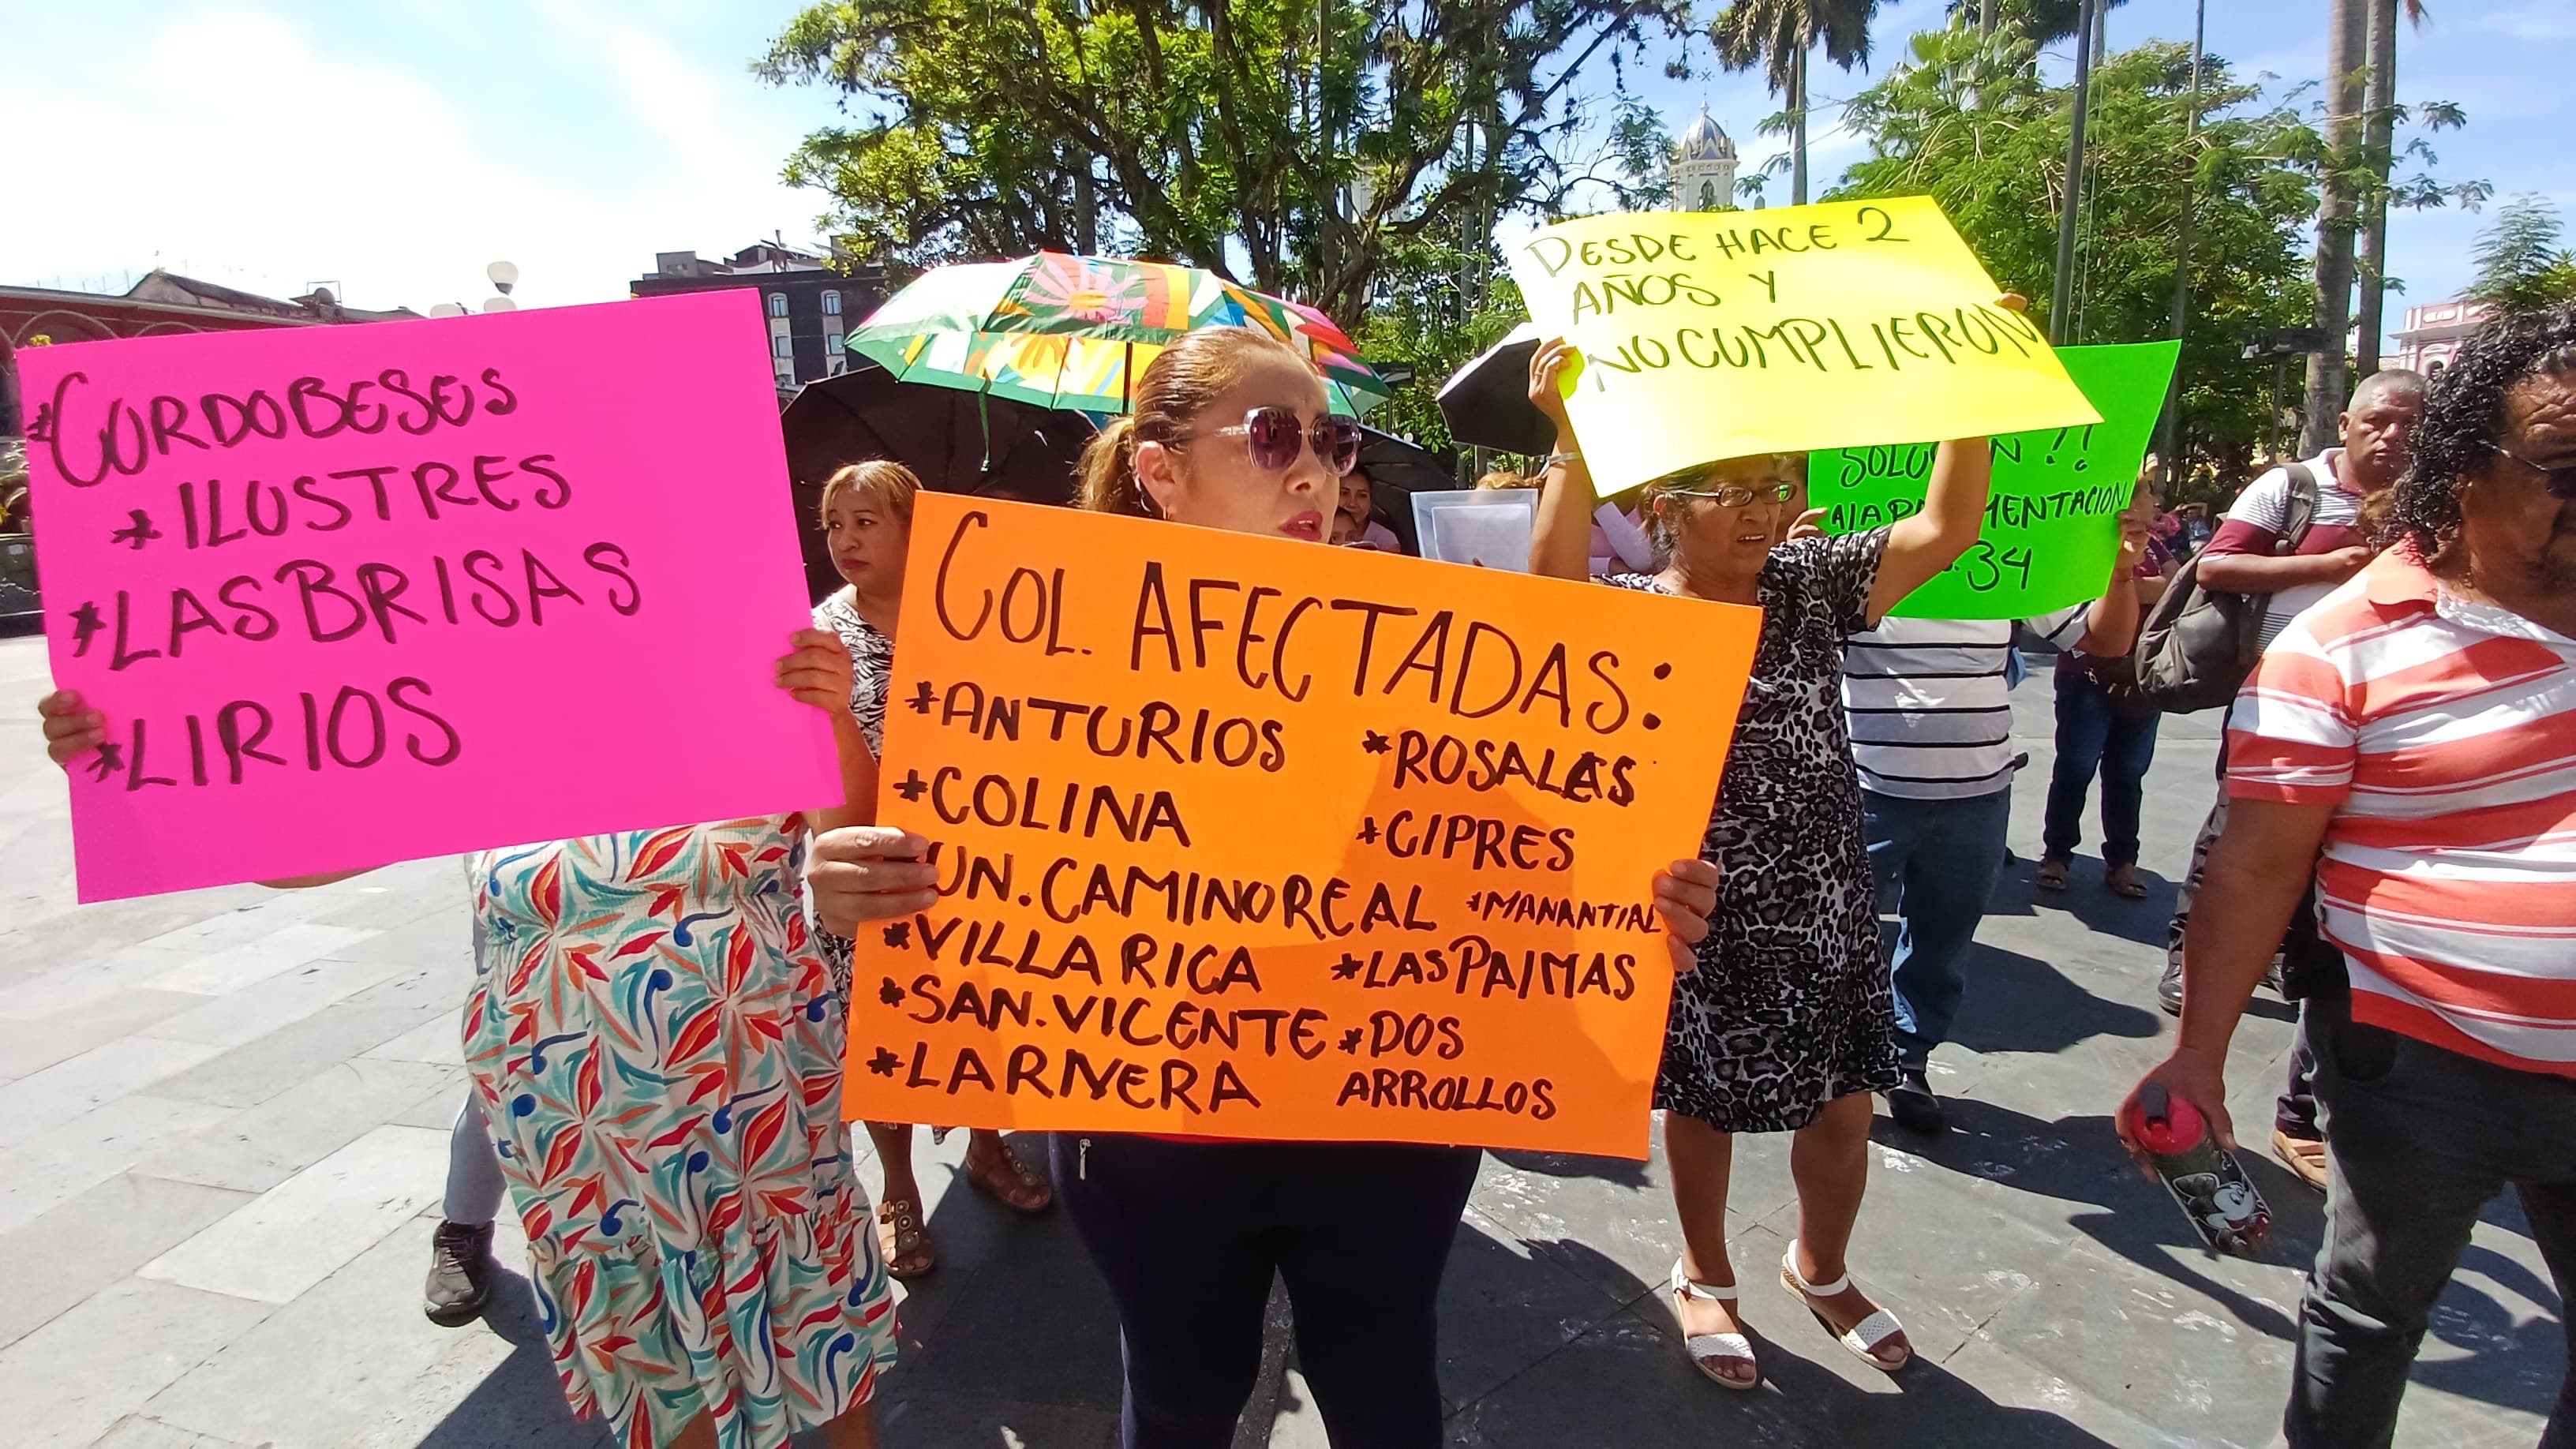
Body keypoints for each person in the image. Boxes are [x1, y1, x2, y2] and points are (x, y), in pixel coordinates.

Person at [807, 326, 1717, 1449]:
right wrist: (850, 878)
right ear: (1160, 472)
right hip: (1146, 1121)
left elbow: (1540, 857)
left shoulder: (1440, 643)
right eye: (1275, 435)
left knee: (1383, 1387)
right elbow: (941, 852)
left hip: (1391, 1112)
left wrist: (1637, 908)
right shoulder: (1031, 648)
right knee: (1182, 1396)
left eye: (1333, 443)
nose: (1317, 471)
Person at [39, 626, 902, 1449]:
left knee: (809, 1293)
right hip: (577, 1121)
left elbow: (856, 844)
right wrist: (130, 758)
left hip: (749, 1097)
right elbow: (297, 855)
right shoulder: (488, 719)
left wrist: (829, 712)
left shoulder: (738, 677)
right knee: (650, 1334)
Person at [2121, 306, 2576, 1449]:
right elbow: (2257, 866)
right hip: (2423, 1068)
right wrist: (2200, 1055)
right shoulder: (2340, 644)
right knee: (2370, 1315)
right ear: (2469, 466)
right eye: (2563, 468)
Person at [1525, 328, 1998, 1391]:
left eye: (1775, 484)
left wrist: (1972, 392)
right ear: (1663, 508)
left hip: (1829, 901)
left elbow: (1946, 526)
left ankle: (1821, 1268)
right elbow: (1548, 591)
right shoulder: (1639, 616)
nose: (1757, 506)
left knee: (1844, 1106)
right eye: (1726, 487)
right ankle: (1704, 1270)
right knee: (1705, 1105)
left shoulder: (1813, 585)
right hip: (1704, 913)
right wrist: (1572, 434)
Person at [807, 459, 1052, 1280]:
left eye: (867, 520)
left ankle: (988, 1147)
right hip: (877, 877)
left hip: (982, 876)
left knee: (984, 1018)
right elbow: (820, 786)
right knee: (887, 1032)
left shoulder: (978, 619)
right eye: (835, 523)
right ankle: (900, 1189)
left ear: (918, 527)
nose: (845, 539)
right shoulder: (819, 638)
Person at [1846, 481, 2152, 1133]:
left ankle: (1909, 1060)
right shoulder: (1854, 552)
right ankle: (1829, 1064)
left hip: (1978, 797)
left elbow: (2103, 638)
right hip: (1865, 791)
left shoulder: (2006, 549)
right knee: (1835, 936)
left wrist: (2120, 567)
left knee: (1942, 942)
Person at [2157, 370, 2428, 1016]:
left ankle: (2277, 954)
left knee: (2328, 835)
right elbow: (2218, 565)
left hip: (2385, 705)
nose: (2392, 436)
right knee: (2238, 830)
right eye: (2378, 422)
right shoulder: (2294, 486)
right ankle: (2188, 960)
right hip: (2280, 697)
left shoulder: (2433, 500)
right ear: (2345, 426)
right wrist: (2326, 567)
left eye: (2409, 424)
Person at [2039, 473, 2181, 899]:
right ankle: (2057, 854)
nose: (2154, 503)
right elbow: (2087, 596)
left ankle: (2123, 861)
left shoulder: (2153, 547)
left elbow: (2179, 586)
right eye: (2146, 494)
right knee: (2075, 769)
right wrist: (2133, 585)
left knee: (2127, 774)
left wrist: (2125, 585)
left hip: (2140, 679)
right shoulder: (2084, 546)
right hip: (2085, 676)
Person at [1334, 464, 1402, 552]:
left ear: (1371, 501)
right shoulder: (1322, 531)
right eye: (1344, 493)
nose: (1352, 503)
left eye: (1362, 495)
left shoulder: (1385, 539)